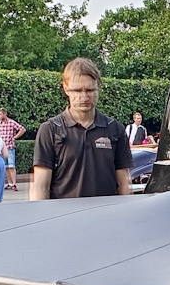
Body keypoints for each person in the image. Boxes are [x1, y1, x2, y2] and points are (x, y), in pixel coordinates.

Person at [31, 57, 133, 200]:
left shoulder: (115, 129)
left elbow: (123, 183)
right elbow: (40, 187)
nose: (84, 97)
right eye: (77, 90)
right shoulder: (50, 130)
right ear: (66, 88)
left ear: (99, 86)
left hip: (107, 216)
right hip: (64, 217)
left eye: (90, 90)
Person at [0, 108, 26, 191]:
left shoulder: (11, 122)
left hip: (9, 146)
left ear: (5, 114)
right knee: (6, 166)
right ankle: (9, 183)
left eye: (1, 114)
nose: (0, 116)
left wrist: (15, 137)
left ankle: (14, 183)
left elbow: (22, 129)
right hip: (1, 147)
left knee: (11, 165)